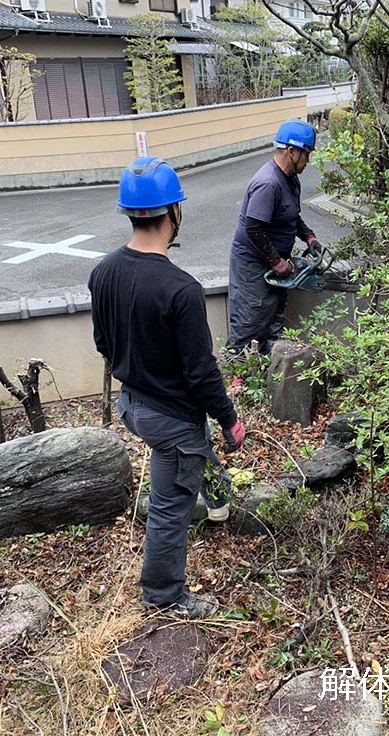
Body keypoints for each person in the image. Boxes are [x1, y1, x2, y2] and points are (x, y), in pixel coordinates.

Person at [88, 156, 246, 620]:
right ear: (173, 211)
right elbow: (201, 374)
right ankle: (164, 594)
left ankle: (217, 500)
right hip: (171, 418)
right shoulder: (181, 290)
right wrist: (231, 419)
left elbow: (103, 343)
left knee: (188, 456)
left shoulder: (104, 272)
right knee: (169, 507)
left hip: (132, 406)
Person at [225, 118, 324, 357]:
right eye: (306, 154)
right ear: (291, 151)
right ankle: (234, 375)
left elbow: (290, 215)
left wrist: (308, 237)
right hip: (252, 264)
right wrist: (278, 262)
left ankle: (270, 373)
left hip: (273, 259)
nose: (308, 160)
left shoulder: (291, 179)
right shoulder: (268, 183)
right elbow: (254, 228)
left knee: (273, 319)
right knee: (250, 320)